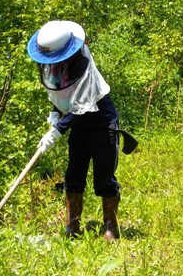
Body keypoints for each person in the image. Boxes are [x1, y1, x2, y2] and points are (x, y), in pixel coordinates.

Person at [27, 20, 121, 241]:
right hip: (78, 127)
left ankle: (110, 226)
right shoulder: (56, 64)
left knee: (104, 177)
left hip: (102, 123)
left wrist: (56, 131)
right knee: (74, 175)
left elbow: (80, 107)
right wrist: (55, 112)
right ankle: (72, 226)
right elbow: (62, 93)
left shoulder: (84, 65)